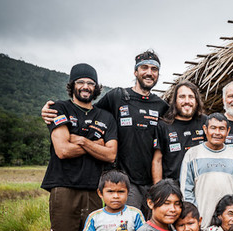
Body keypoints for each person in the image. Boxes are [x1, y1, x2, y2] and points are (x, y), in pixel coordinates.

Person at [41, 63, 118, 231]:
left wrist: (82, 142)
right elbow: (62, 150)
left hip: (93, 189)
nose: (86, 87)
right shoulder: (60, 109)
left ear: (97, 88)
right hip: (63, 187)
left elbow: (110, 155)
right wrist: (94, 145)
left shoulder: (105, 116)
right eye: (80, 82)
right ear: (72, 84)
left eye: (90, 83)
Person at [43, 50, 167, 211]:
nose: (149, 73)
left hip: (152, 181)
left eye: (154, 69)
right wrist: (49, 113)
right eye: (144, 68)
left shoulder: (162, 106)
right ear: (135, 71)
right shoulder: (117, 96)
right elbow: (87, 113)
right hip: (123, 181)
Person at [180, 113, 233, 229]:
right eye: (213, 128)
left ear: (228, 131)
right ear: (205, 129)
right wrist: (194, 217)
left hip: (230, 225)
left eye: (222, 129)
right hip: (202, 223)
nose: (217, 132)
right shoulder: (193, 154)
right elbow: (186, 191)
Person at [152, 80, 207, 184]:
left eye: (191, 97)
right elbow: (157, 160)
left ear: (196, 100)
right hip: (173, 187)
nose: (187, 101)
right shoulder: (163, 125)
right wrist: (158, 190)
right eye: (182, 97)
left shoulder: (205, 122)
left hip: (200, 185)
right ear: (175, 100)